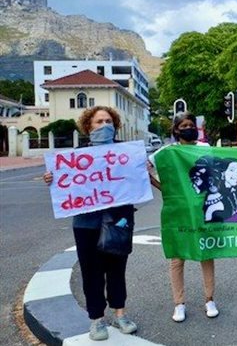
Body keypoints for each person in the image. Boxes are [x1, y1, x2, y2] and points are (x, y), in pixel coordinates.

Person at [43, 106, 138, 341]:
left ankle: (120, 314)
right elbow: (66, 183)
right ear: (88, 126)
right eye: (98, 122)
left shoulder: (126, 153)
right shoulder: (74, 158)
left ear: (115, 126)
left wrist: (141, 172)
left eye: (108, 121)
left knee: (117, 269)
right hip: (86, 224)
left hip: (119, 221)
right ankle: (97, 320)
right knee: (91, 272)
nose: (104, 125)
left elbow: (135, 184)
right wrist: (52, 179)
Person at [149, 112, 219, 322]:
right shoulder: (166, 152)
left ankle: (210, 299)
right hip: (177, 211)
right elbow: (145, 170)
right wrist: (164, 189)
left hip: (202, 209)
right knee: (177, 257)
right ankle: (179, 304)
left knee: (206, 252)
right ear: (176, 130)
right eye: (184, 125)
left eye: (191, 124)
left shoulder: (205, 149)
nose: (188, 128)